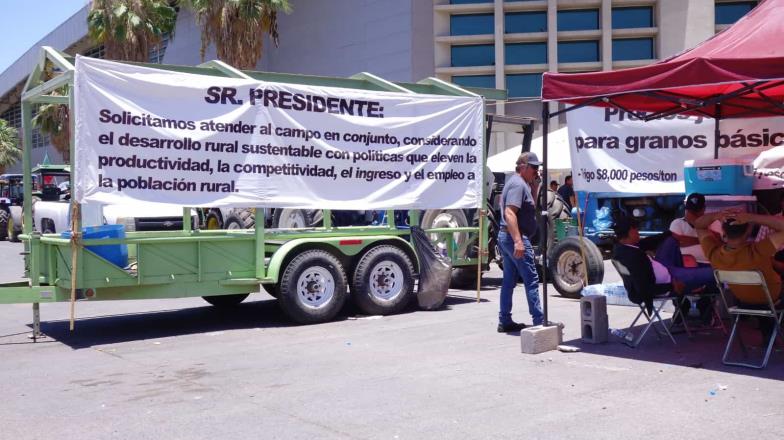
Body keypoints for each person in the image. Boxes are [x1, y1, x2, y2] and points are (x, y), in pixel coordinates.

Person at [696, 210, 784, 340]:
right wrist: (752, 217)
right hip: (772, 298)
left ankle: (769, 338)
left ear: (724, 232)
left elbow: (699, 225)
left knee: (761, 292)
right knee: (769, 291)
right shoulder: (757, 250)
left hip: (743, 300)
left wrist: (716, 216)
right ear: (748, 232)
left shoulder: (713, 253)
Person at [496, 152, 544, 332]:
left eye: (538, 168)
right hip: (514, 237)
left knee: (509, 280)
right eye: (534, 167)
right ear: (522, 167)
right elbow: (510, 213)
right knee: (531, 278)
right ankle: (539, 321)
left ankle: (505, 320)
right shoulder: (517, 184)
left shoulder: (520, 183)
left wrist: (535, 185)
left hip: (507, 237)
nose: (537, 171)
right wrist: (518, 241)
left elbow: (528, 204)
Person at [670, 193, 709, 265]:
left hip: (710, 264)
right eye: (690, 211)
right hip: (685, 265)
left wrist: (698, 224)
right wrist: (703, 240)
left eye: (696, 211)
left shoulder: (709, 223)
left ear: (703, 209)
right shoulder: (677, 223)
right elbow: (676, 242)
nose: (691, 214)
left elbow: (717, 240)